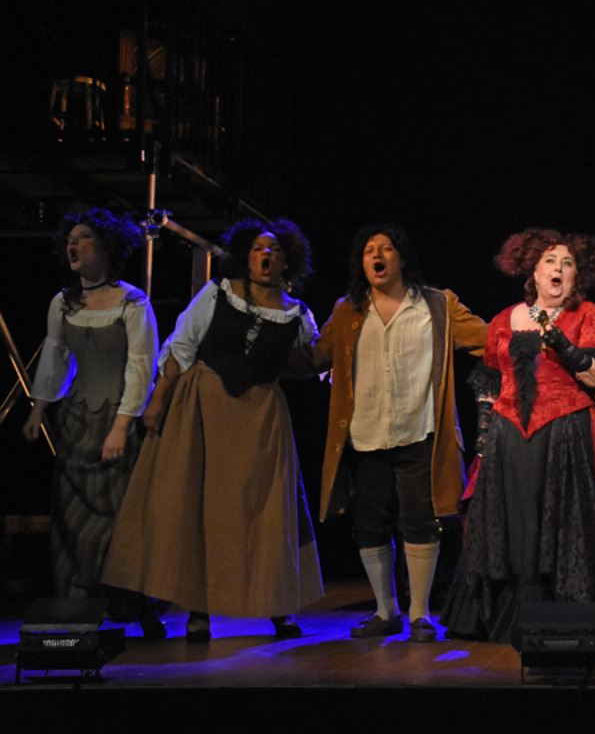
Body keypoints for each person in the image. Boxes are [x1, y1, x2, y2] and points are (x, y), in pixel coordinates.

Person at [104, 219, 323, 642]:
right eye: (258, 247)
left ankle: (276, 607)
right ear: (246, 254)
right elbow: (183, 342)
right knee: (197, 508)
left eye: (274, 249)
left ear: (286, 261)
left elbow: (309, 364)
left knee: (265, 512)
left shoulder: (298, 315)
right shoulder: (218, 292)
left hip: (260, 418)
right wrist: (158, 397)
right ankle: (198, 612)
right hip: (203, 407)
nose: (265, 255)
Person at [289, 224, 487, 641]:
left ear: (401, 258)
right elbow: (314, 358)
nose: (376, 256)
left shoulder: (436, 304)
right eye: (368, 251)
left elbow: (488, 339)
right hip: (364, 434)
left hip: (420, 432)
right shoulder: (348, 309)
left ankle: (418, 615)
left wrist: (533, 334)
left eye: (386, 248)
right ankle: (385, 611)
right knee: (370, 525)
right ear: (362, 263)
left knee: (420, 522)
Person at [441, 229, 595, 643]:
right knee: (512, 525)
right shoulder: (505, 319)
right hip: (508, 436)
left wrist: (563, 345)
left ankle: (562, 618)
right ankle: (506, 616)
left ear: (578, 276)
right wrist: (485, 441)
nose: (558, 269)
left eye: (568, 264)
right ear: (533, 272)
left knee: (559, 524)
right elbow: (489, 383)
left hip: (565, 431)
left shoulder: (587, 315)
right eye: (549, 262)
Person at [22, 208, 164, 637]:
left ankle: (135, 604)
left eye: (85, 238)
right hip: (78, 419)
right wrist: (39, 407)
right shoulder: (63, 302)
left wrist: (123, 424)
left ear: (106, 248)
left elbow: (142, 365)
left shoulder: (133, 301)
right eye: (72, 238)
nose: (75, 245)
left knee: (122, 515)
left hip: (119, 417)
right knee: (72, 514)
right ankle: (77, 608)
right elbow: (55, 355)